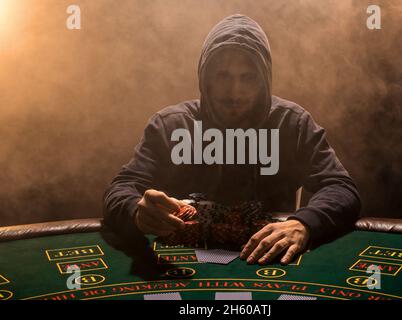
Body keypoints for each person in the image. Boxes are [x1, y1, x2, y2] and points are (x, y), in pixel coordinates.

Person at [103, 14, 361, 265]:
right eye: (222, 76)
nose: (234, 92)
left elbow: (341, 188)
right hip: (186, 267)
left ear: (264, 80)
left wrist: (304, 223)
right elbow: (121, 188)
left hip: (269, 265)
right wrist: (136, 210)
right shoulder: (169, 125)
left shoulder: (292, 123)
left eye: (247, 77)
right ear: (205, 78)